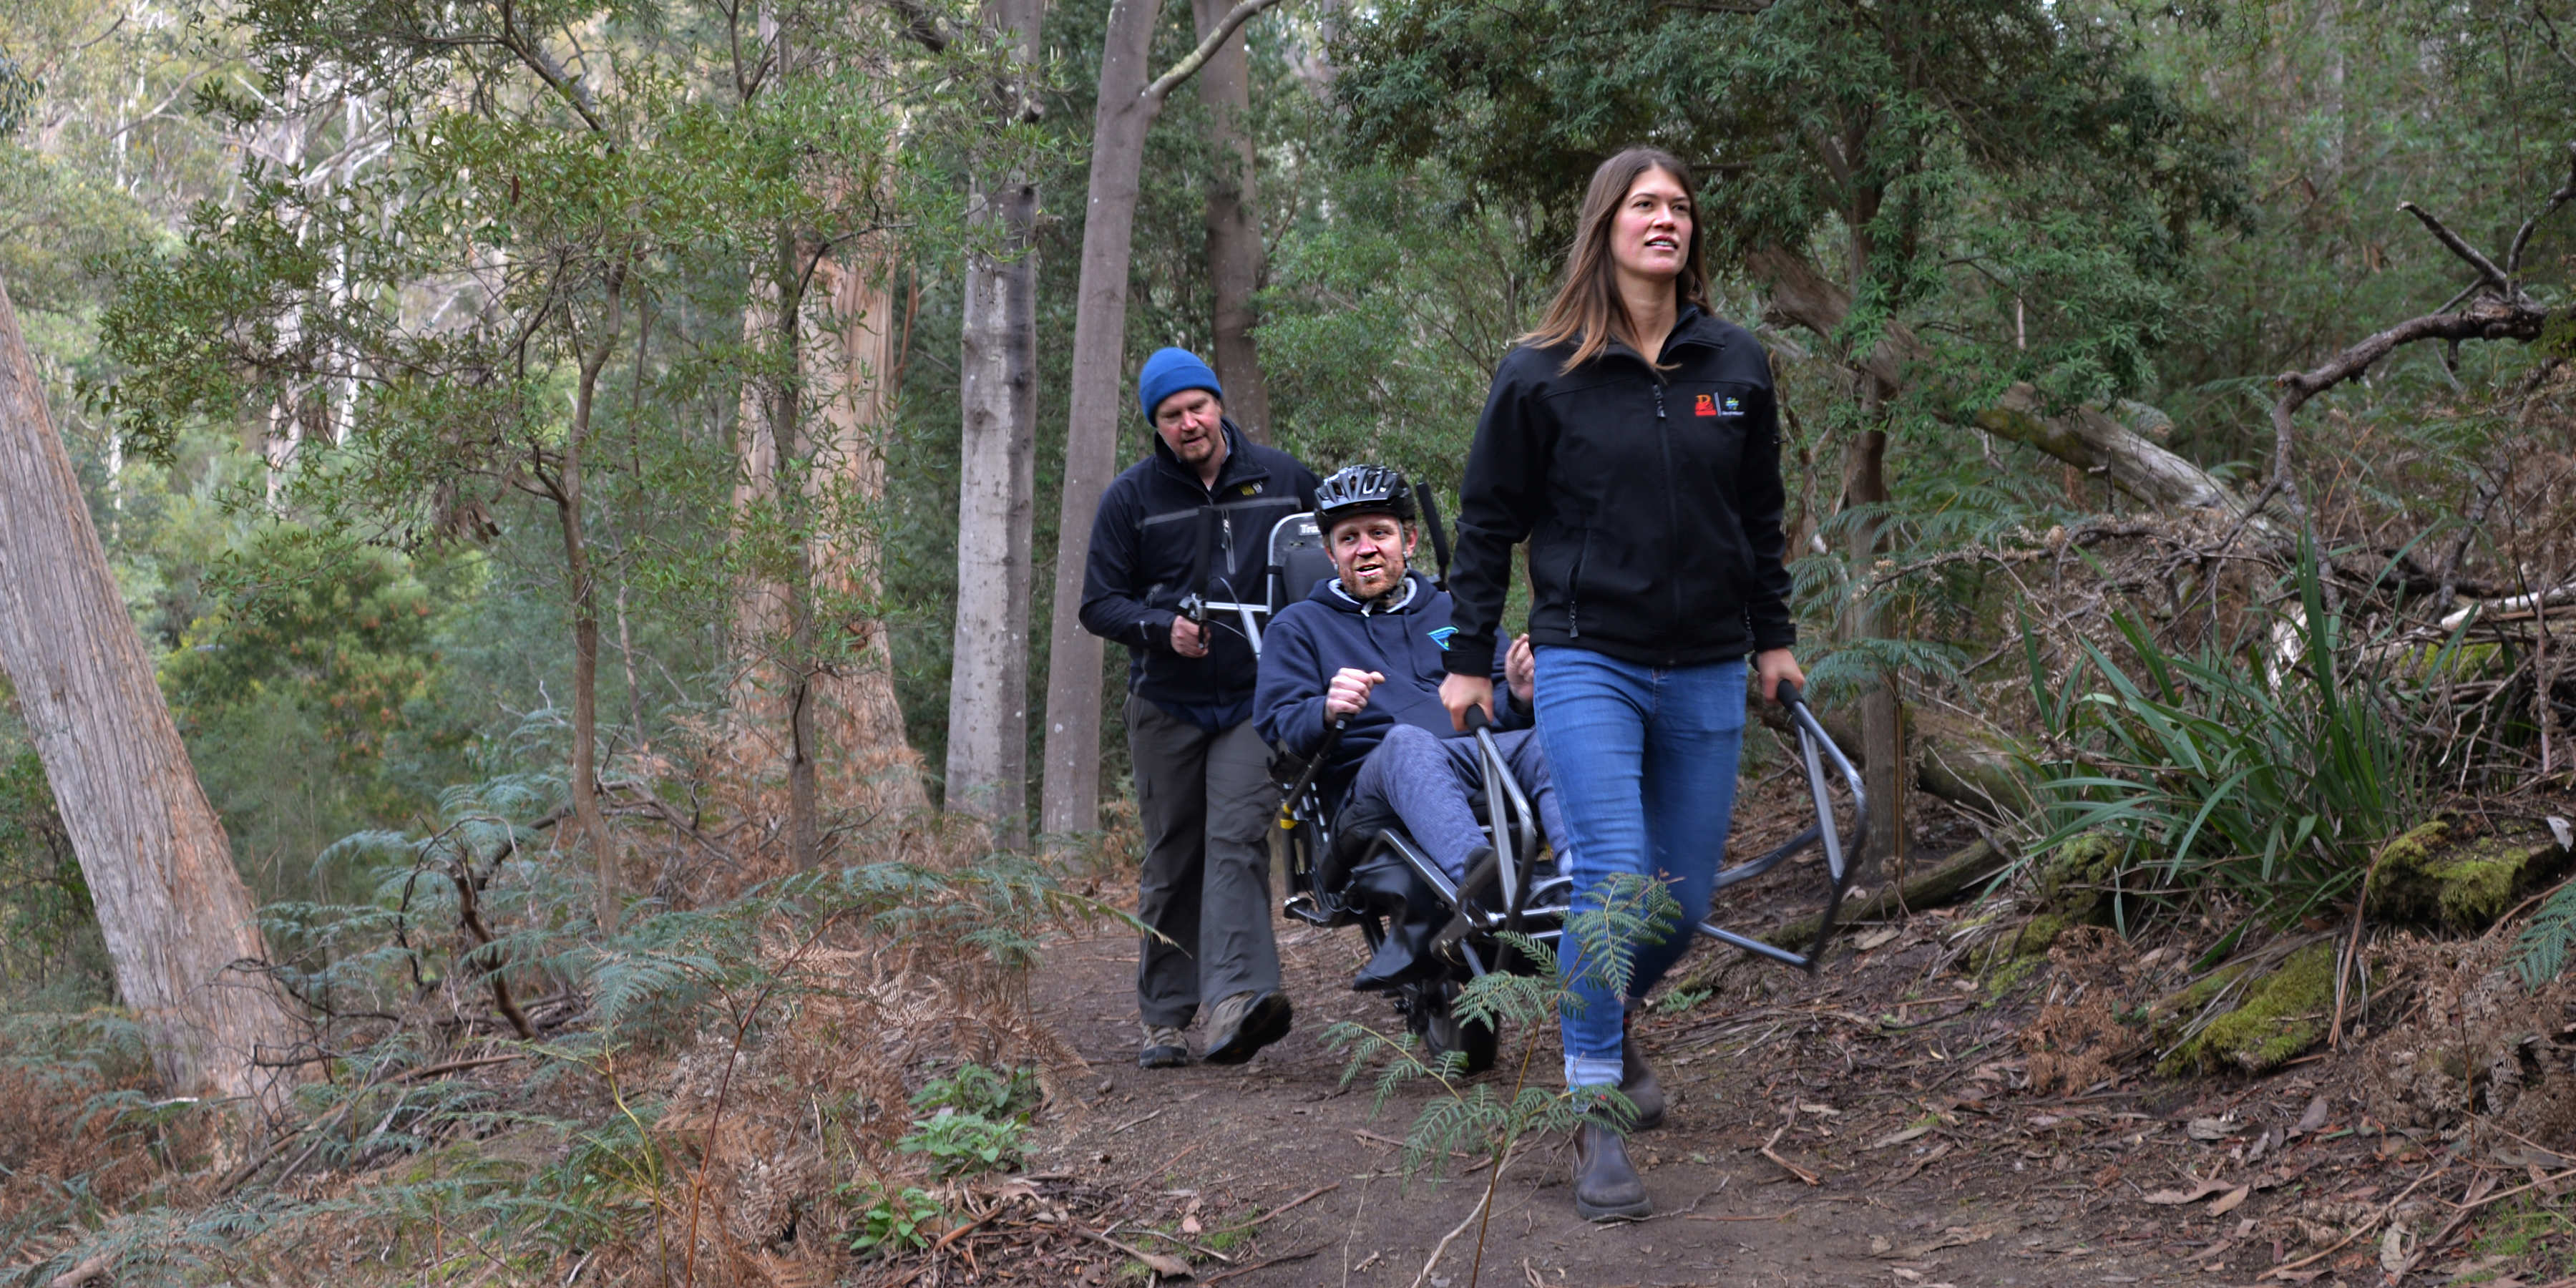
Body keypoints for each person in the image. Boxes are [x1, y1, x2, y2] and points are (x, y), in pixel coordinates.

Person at [1436, 147, 1806, 1222]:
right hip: (1588, 656)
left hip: (1705, 668)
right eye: (1645, 205)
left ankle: (1589, 1013)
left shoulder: (1733, 362)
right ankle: (1593, 1111)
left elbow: (1760, 518)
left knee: (1681, 906)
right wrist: (1467, 657)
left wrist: (1773, 641)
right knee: (1613, 877)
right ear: (1605, 226)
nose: (1666, 221)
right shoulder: (1540, 369)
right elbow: (1488, 524)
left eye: (1681, 207)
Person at [1080, 347, 1322, 1069]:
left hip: (1257, 697)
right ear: (1156, 426)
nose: (1189, 424)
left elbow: (1335, 559)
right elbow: (1100, 603)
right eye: (1172, 416)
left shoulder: (1285, 480)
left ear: (1218, 405)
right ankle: (1164, 1015)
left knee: (1240, 835)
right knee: (1173, 857)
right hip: (1168, 702)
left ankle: (1241, 1002)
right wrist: (1164, 628)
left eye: (1197, 407)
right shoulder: (1132, 498)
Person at [1252, 464, 1568, 991]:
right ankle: (1481, 886)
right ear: (1330, 555)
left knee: (1548, 740)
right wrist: (1326, 708)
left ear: (1410, 539)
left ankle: (1587, 884)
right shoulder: (1299, 626)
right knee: (1407, 743)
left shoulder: (1454, 609)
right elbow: (1279, 730)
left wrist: (1519, 693)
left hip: (1476, 761)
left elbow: (1500, 714)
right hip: (1371, 789)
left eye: (1380, 533)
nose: (1366, 549)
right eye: (1348, 539)